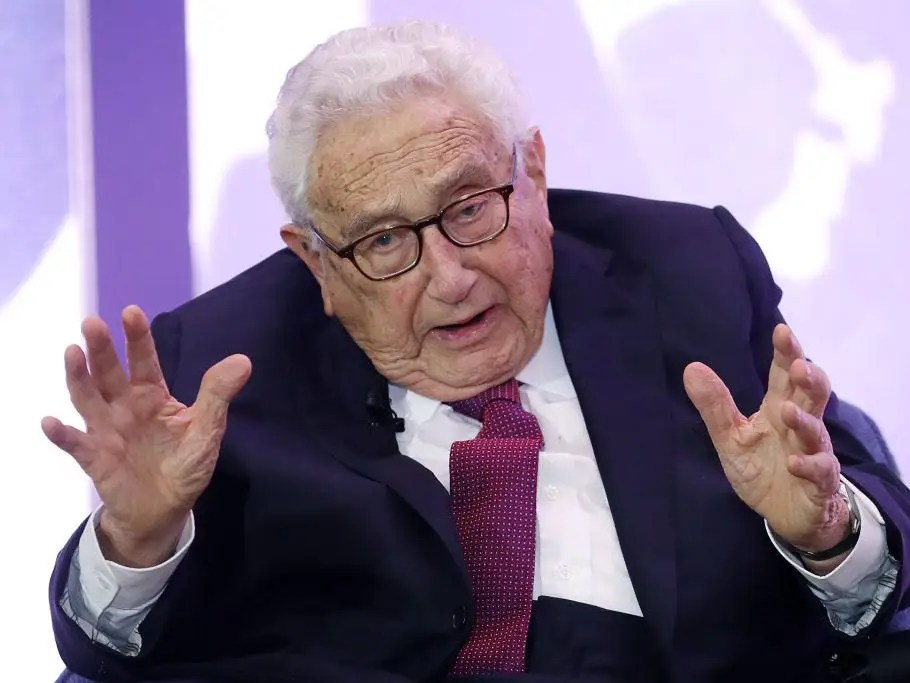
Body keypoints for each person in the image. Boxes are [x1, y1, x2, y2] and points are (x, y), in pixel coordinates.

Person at [46, 21, 908, 683]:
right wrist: (135, 539)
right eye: (384, 241)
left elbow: (875, 556)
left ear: (534, 171)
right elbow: (109, 657)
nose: (451, 278)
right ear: (315, 260)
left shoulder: (688, 275)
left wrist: (826, 534)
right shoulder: (217, 368)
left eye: (469, 208)